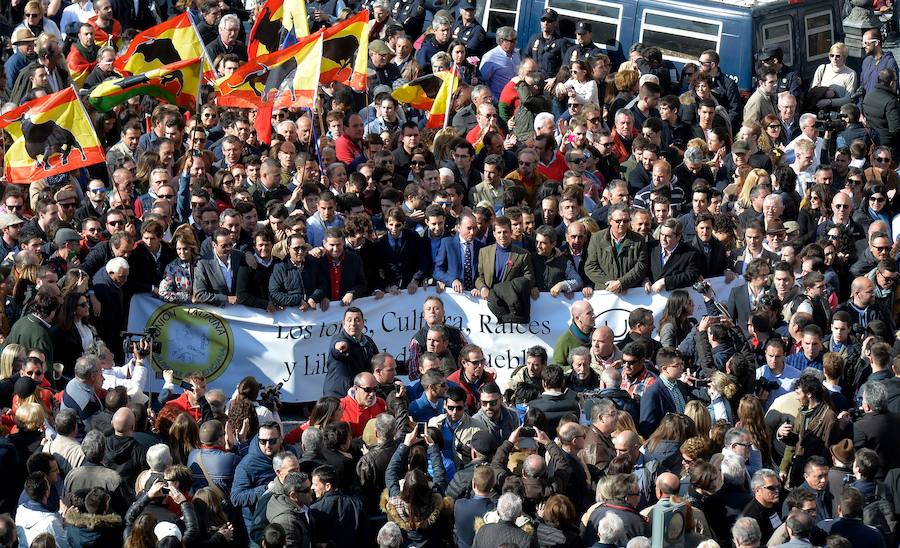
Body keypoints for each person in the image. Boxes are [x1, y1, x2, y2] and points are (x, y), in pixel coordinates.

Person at [323, 307, 379, 397]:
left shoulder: (368, 342)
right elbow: (337, 348)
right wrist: (340, 347)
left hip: (359, 395)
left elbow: (379, 362)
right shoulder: (338, 338)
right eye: (349, 320)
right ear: (343, 323)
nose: (353, 324)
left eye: (357, 320)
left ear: (363, 323)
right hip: (338, 396)